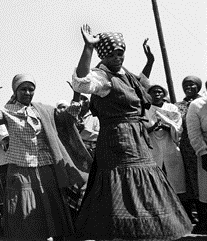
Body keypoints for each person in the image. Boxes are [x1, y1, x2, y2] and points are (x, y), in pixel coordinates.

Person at [72, 25, 192, 240]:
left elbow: (141, 84)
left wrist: (150, 62)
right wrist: (88, 48)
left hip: (137, 136)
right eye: (111, 54)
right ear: (103, 55)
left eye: (121, 53)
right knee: (123, 182)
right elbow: (81, 83)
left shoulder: (125, 75)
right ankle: (122, 232)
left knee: (144, 178)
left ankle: (145, 231)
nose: (117, 57)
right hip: (118, 138)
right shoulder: (102, 77)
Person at [0, 75, 92, 241]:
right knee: (24, 211)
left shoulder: (44, 110)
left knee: (48, 209)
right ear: (15, 91)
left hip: (45, 167)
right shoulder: (7, 112)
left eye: (30, 89)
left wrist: (75, 94)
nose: (27, 92)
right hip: (20, 169)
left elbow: (68, 118)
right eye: (23, 89)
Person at [145, 84, 186, 195]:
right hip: (153, 145)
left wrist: (166, 127)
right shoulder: (145, 110)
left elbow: (178, 127)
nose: (157, 94)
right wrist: (154, 127)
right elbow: (141, 130)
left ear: (164, 94)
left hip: (170, 144)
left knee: (175, 177)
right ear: (149, 95)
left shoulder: (171, 108)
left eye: (159, 92)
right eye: (153, 92)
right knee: (155, 177)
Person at [175, 75, 203, 224]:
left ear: (198, 86)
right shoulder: (178, 105)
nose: (189, 87)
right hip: (185, 147)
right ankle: (192, 215)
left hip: (201, 145)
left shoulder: (202, 103)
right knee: (188, 180)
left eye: (192, 84)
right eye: (186, 85)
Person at [186, 82, 207, 234]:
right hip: (206, 152)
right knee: (205, 189)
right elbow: (194, 132)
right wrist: (203, 152)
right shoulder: (197, 105)